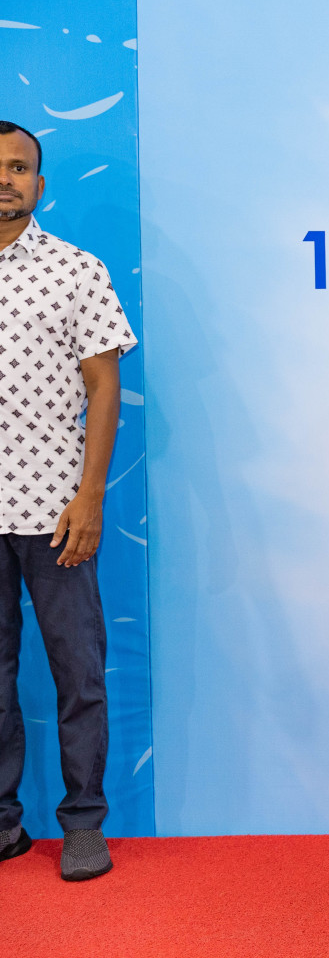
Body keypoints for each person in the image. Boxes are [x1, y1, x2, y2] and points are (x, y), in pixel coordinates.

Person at [0, 121, 138, 881]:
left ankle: (84, 822)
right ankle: (3, 823)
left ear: (39, 184)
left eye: (19, 167)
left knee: (77, 674)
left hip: (55, 512)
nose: (6, 178)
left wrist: (89, 499)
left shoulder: (76, 270)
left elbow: (104, 388)